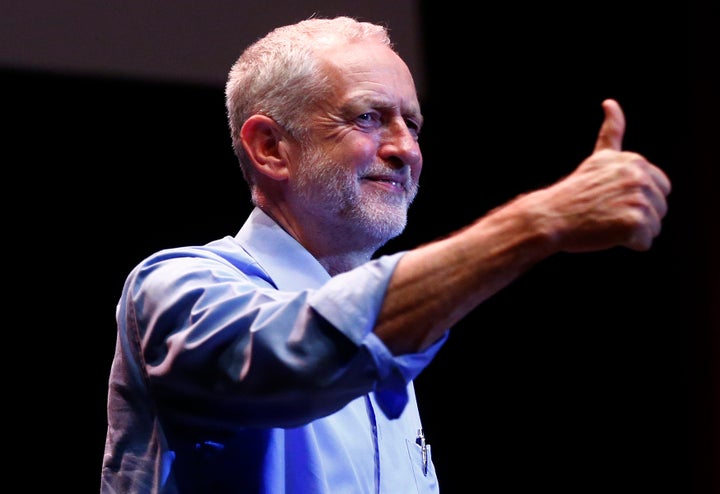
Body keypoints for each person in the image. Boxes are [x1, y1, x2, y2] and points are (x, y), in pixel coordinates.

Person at [100, 15, 671, 494]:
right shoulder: (175, 287)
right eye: (368, 117)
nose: (405, 150)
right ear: (271, 147)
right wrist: (539, 222)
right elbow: (292, 355)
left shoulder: (393, 325)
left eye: (413, 124)